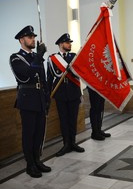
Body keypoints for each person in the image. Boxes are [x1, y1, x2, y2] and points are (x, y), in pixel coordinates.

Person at [9, 25, 51, 178]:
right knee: (29, 133)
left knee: (39, 133)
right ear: (21, 40)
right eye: (29, 37)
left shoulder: (35, 56)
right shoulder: (16, 58)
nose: (33, 39)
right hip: (27, 101)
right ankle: (30, 164)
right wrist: (39, 56)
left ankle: (38, 160)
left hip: (39, 98)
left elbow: (43, 78)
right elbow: (26, 76)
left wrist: (47, 97)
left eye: (33, 37)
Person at [47, 33, 85, 157]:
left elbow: (81, 73)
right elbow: (49, 78)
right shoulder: (52, 59)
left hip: (73, 93)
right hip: (61, 94)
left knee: (73, 120)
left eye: (70, 42)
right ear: (61, 44)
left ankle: (73, 143)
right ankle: (66, 144)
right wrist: (47, 95)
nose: (70, 44)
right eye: (67, 42)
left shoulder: (75, 57)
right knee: (63, 120)